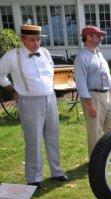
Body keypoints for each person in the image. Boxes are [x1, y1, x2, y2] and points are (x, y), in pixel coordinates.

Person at [0, 24, 68, 188]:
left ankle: (56, 171)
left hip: (50, 99)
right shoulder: (12, 56)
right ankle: (34, 177)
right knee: (33, 140)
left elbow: (50, 72)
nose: (36, 43)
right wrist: (12, 89)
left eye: (38, 39)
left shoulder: (44, 53)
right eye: (32, 40)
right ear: (22, 39)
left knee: (53, 137)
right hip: (29, 102)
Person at [74, 25, 111, 156]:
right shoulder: (81, 57)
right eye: (98, 35)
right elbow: (81, 84)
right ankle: (95, 160)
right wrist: (89, 104)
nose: (102, 38)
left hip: (108, 95)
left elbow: (105, 73)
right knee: (95, 130)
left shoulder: (98, 53)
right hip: (93, 97)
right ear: (88, 37)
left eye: (101, 35)